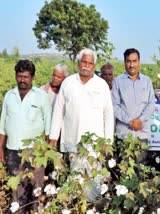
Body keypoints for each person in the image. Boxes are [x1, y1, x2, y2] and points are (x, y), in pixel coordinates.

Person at [49, 48, 114, 202]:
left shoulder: (101, 85)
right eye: (84, 62)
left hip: (95, 146)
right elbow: (59, 111)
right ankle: (76, 209)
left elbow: (109, 116)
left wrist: (108, 142)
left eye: (90, 63)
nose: (86, 65)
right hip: (73, 142)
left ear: (94, 65)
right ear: (78, 62)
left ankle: (93, 209)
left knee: (94, 183)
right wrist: (53, 138)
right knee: (75, 183)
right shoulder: (68, 83)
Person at [0, 60, 52, 211]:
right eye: (19, 76)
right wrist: (1, 148)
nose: (22, 80)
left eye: (26, 77)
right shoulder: (9, 96)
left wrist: (46, 152)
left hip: (34, 152)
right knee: (17, 193)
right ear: (16, 76)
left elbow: (48, 126)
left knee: (36, 190)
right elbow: (2, 124)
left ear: (32, 77)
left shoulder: (41, 96)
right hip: (13, 152)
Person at [112, 48, 155, 163]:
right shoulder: (117, 82)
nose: (132, 65)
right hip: (125, 135)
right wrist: (130, 121)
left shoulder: (147, 81)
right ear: (125, 62)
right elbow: (115, 106)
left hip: (142, 134)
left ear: (139, 62)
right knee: (125, 173)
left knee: (141, 171)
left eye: (134, 61)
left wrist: (140, 120)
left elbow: (151, 103)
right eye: (128, 61)